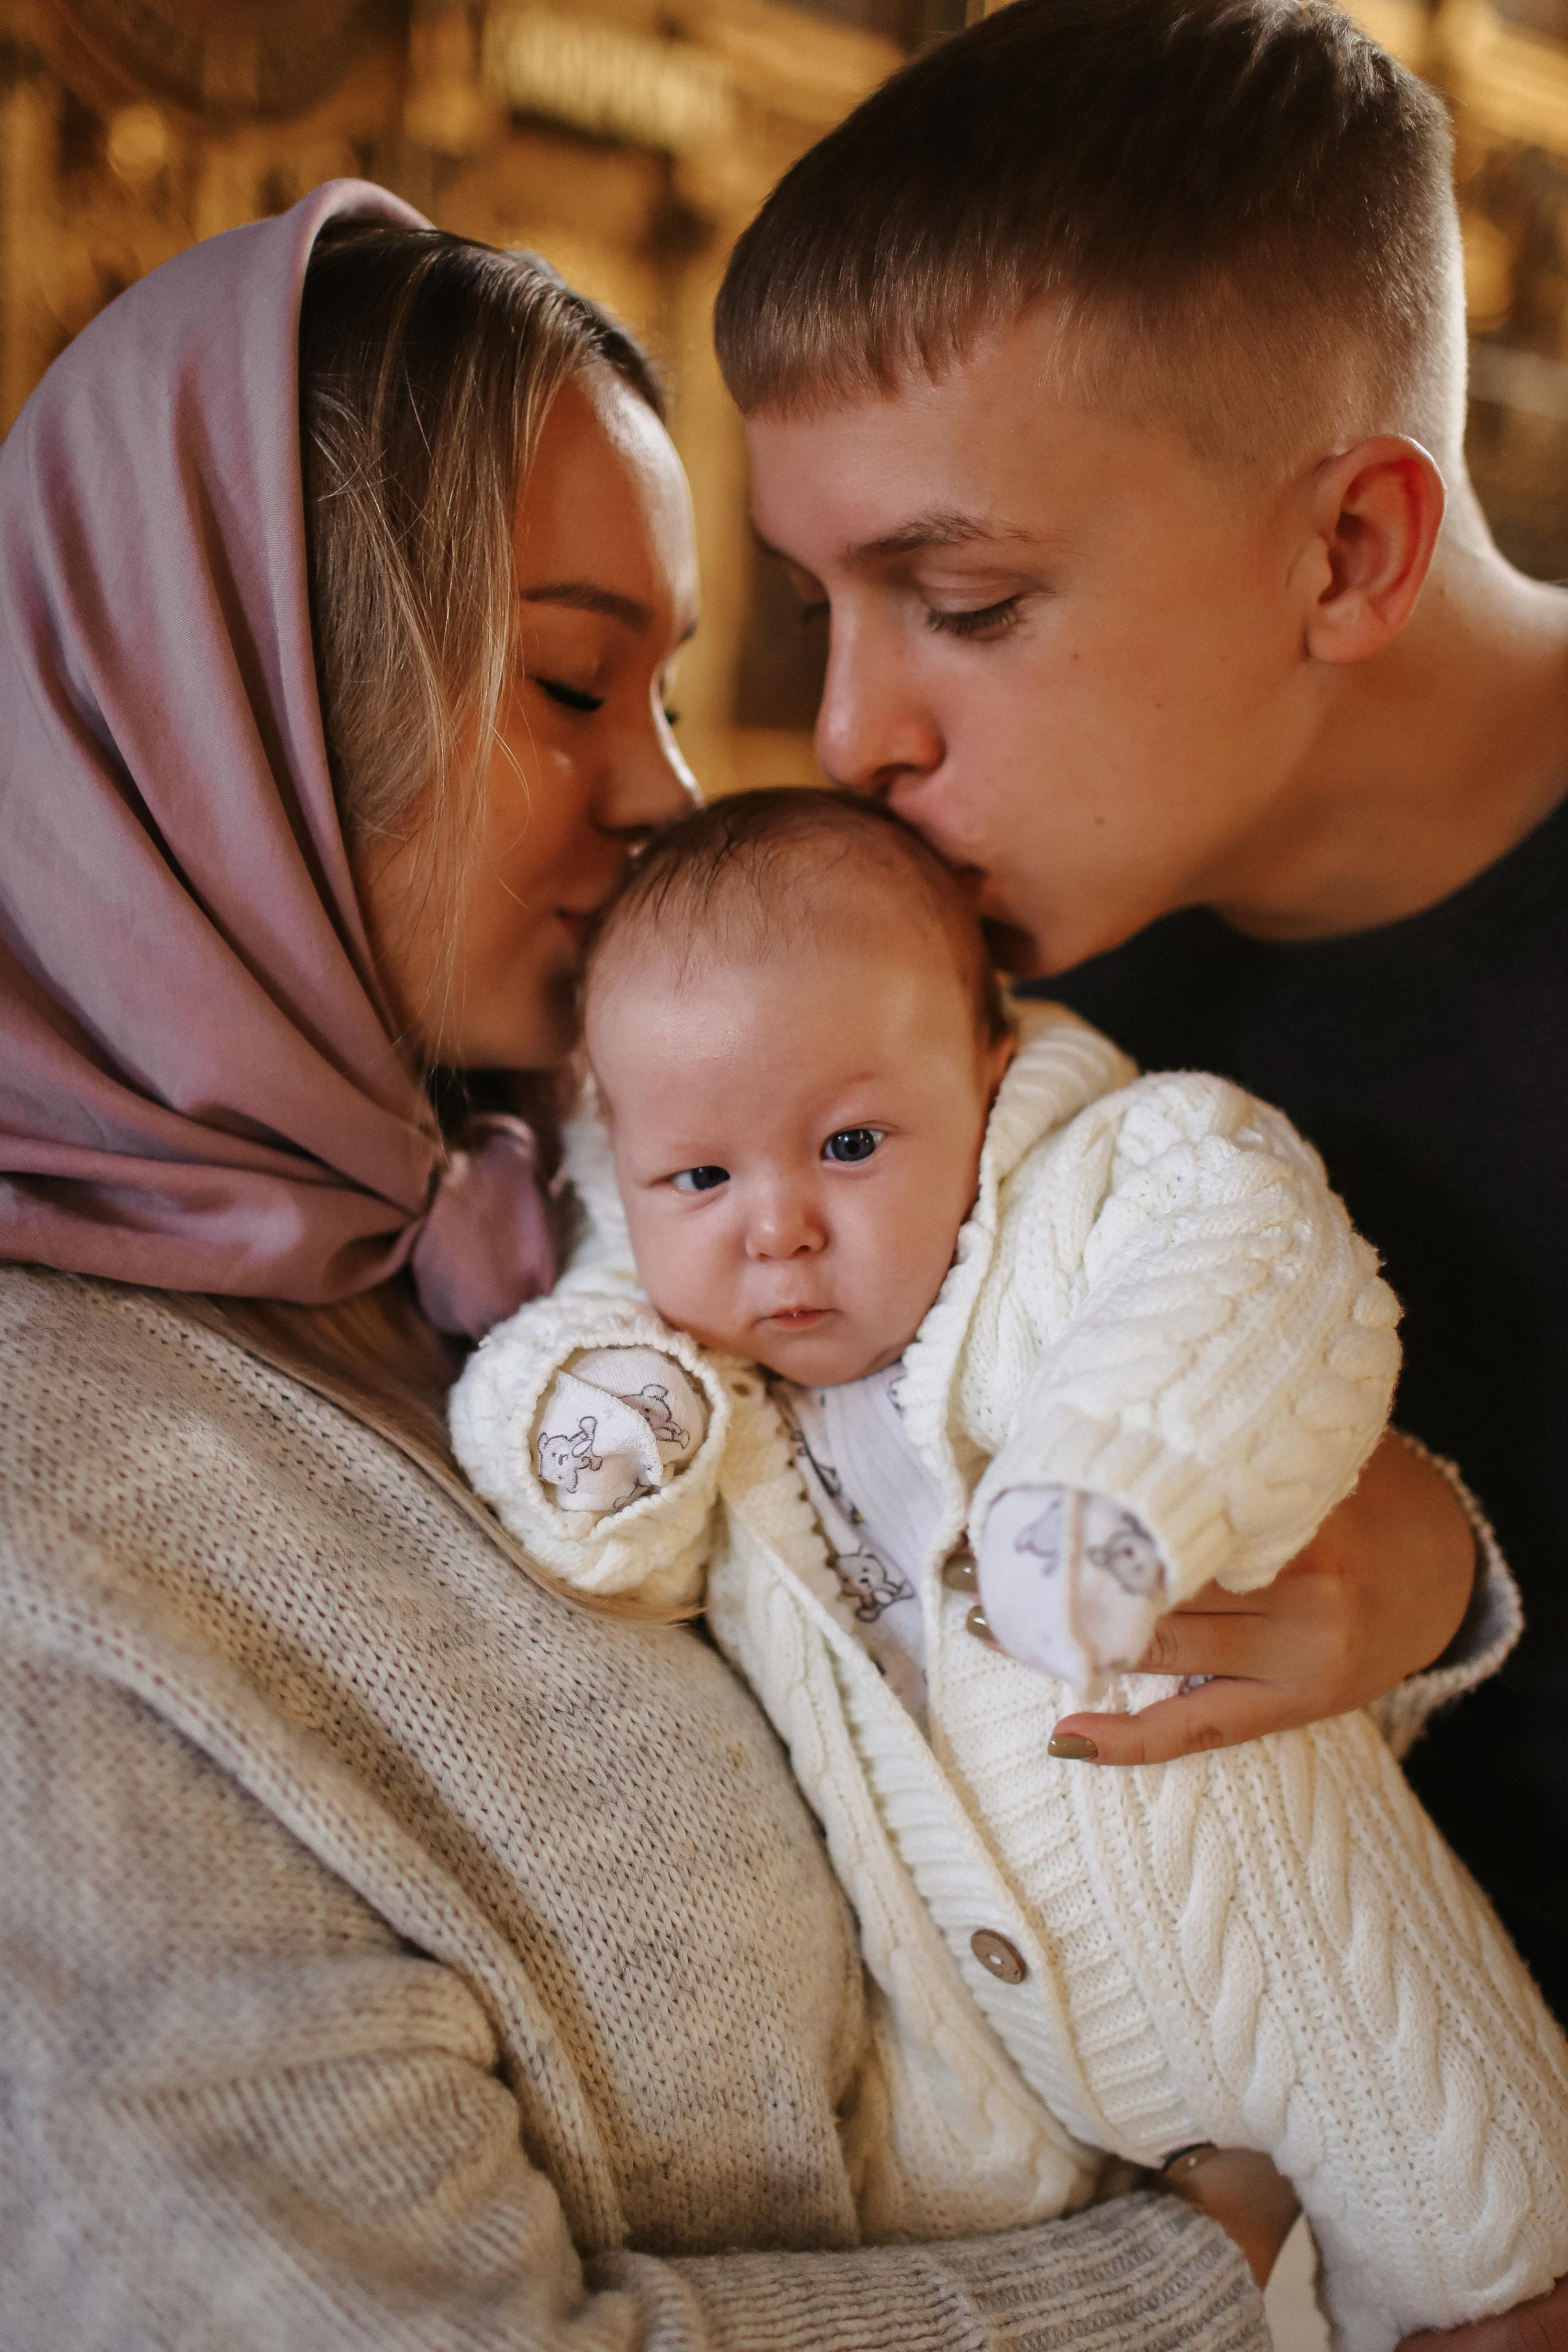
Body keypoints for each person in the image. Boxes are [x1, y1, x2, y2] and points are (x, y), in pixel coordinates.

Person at [0, 177, 1311, 2348]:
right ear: (222, 709)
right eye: (572, 686)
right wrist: (1206, 2288)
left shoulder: (568, 1203)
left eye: (674, 690)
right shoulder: (53, 1524)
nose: (671, 794)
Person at [451, 785, 1568, 2350]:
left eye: (849, 1143)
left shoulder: (1094, 1188)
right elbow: (602, 1503)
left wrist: (1109, 1486)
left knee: (1494, 2271)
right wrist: (588, 1424)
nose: (776, 1228)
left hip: (1315, 1977)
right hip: (1011, 2104)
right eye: (698, 1180)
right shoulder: (700, 1375)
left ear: (984, 1072)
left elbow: (1244, 1273)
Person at [713, 0, 1568, 2042]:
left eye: (971, 603)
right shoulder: (976, 998)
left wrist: (1480, 1597)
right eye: (816, 599)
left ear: (1349, 545)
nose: (851, 733)